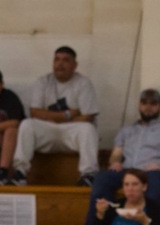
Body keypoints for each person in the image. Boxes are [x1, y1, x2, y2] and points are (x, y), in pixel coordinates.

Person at [84, 89, 160, 225]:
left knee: (153, 183)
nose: (148, 107)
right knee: (102, 178)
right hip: (129, 171)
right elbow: (116, 154)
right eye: (144, 103)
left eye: (153, 104)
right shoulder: (127, 130)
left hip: (156, 172)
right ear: (139, 105)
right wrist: (115, 162)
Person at [11, 46, 99, 186]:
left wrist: (52, 117)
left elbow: (88, 117)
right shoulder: (43, 81)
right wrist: (69, 114)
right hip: (49, 130)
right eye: (57, 59)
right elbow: (35, 112)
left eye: (65, 60)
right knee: (27, 124)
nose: (60, 64)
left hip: (71, 132)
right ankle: (20, 173)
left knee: (87, 129)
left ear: (74, 65)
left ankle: (88, 174)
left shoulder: (83, 83)